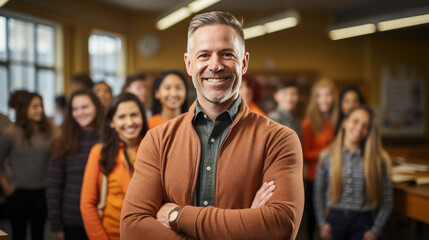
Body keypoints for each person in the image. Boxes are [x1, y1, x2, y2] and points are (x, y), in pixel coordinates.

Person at [121, 11, 304, 239]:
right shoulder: (157, 140)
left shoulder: (278, 139)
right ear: (189, 64)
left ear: (244, 63)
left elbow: (280, 225)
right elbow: (132, 228)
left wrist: (178, 216)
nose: (215, 65)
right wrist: (246, 222)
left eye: (227, 54)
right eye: (204, 55)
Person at [314, 106, 392, 240]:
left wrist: (375, 231)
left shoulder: (378, 160)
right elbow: (318, 192)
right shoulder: (326, 155)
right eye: (355, 121)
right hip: (334, 223)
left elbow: (387, 200)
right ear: (345, 122)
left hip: (364, 224)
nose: (359, 128)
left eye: (365, 125)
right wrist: (322, 223)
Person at [80, 93, 148, 240]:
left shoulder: (152, 149)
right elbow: (87, 204)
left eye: (134, 115)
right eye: (121, 117)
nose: (129, 122)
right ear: (111, 122)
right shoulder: (100, 152)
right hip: (110, 234)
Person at [47, 90, 104, 240]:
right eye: (75, 109)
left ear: (96, 107)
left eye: (85, 107)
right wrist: (56, 224)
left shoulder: (108, 137)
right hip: (73, 217)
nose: (80, 112)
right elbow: (54, 185)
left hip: (103, 215)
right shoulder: (63, 140)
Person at [0, 91, 53, 240]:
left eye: (41, 106)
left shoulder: (48, 130)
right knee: (19, 234)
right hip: (19, 193)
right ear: (24, 109)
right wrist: (7, 188)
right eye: (35, 106)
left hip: (42, 193)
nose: (40, 110)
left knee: (39, 234)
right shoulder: (11, 132)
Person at [301, 78, 338, 240]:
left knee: (333, 222)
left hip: (337, 177)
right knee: (314, 221)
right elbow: (305, 154)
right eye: (319, 95)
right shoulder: (308, 123)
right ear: (315, 99)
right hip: (315, 178)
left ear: (333, 98)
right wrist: (328, 151)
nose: (323, 99)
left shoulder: (339, 121)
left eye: (327, 95)